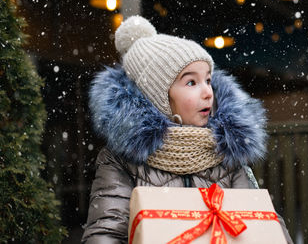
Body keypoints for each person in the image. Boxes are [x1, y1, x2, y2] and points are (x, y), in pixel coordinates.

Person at [81, 15, 293, 243]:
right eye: (191, 82)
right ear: (160, 96)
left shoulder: (225, 153)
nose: (207, 92)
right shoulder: (121, 161)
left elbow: (259, 221)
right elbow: (106, 232)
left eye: (208, 80)